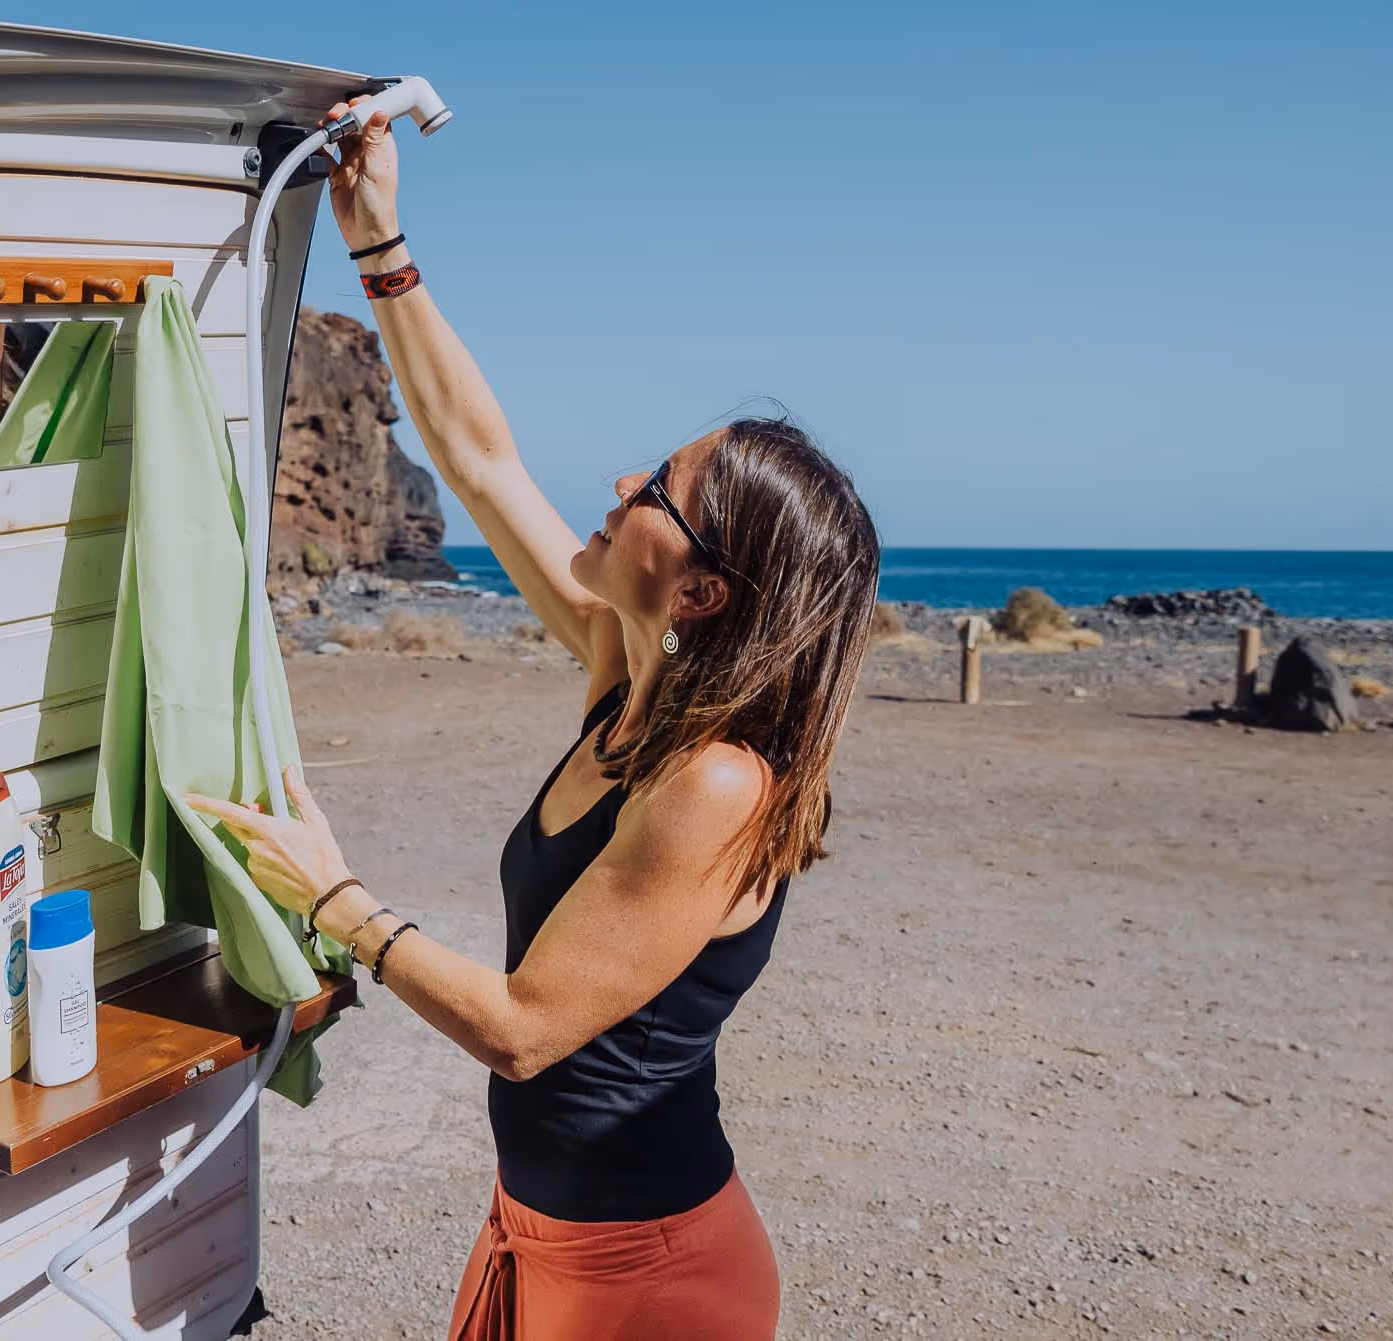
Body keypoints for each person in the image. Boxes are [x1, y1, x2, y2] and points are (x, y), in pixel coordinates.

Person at [186, 97, 882, 1340]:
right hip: (545, 1233)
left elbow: (521, 1033)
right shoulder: (628, 675)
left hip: (652, 1276)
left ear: (703, 589)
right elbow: (479, 461)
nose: (620, 484)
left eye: (657, 489)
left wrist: (330, 898)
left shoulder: (718, 783)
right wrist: (381, 249)